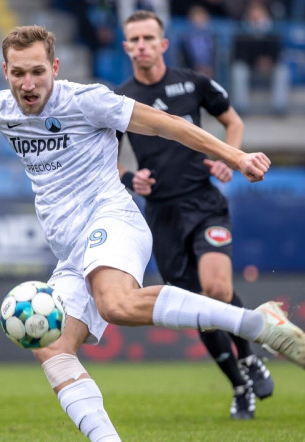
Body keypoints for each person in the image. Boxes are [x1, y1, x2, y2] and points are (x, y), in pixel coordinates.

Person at [0, 25, 305, 442]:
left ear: (54, 68)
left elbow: (173, 125)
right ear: (6, 72)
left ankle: (257, 323)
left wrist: (235, 156)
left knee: (116, 303)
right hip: (71, 250)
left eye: (37, 71)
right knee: (50, 345)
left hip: (112, 218)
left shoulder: (86, 100)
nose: (28, 84)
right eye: (18, 73)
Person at [115, 10, 274, 420]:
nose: (143, 45)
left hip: (204, 204)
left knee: (217, 290)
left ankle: (250, 357)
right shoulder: (118, 100)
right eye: (135, 39)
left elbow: (232, 121)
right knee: (196, 309)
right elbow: (107, 163)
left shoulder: (194, 83)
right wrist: (132, 179)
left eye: (150, 37)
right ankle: (239, 386)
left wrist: (231, 159)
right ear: (126, 47)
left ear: (164, 44)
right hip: (161, 215)